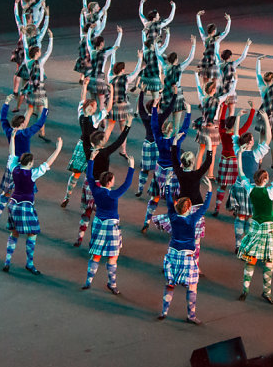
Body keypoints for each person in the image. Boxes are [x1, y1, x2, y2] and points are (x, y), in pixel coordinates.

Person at [3, 135, 63, 275]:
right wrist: (58, 149)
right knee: (33, 233)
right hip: (25, 206)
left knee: (14, 233)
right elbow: (48, 163)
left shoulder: (14, 169)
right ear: (30, 163)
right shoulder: (32, 174)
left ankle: (7, 261)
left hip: (13, 204)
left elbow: (11, 154)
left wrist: (12, 138)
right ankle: (29, 263)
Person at [0, 96, 50, 225]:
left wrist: (6, 103)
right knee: (26, 194)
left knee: (5, 192)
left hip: (12, 165)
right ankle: (21, 219)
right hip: (24, 167)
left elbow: (2, 118)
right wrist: (45, 108)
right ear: (23, 124)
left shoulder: (8, 130)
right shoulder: (25, 133)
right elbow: (39, 123)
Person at [74, 119, 133, 248]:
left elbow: (84, 136)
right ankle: (96, 239)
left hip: (88, 184)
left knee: (86, 212)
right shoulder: (105, 152)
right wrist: (127, 126)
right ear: (102, 142)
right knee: (99, 213)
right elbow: (118, 141)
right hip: (101, 186)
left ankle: (80, 236)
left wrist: (84, 119)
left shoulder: (88, 150)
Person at [82, 154, 136, 294]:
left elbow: (89, 176)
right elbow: (127, 184)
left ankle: (88, 281)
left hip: (99, 223)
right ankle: (112, 284)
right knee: (113, 256)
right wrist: (131, 167)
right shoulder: (113, 194)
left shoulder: (95, 189)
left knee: (96, 255)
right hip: (111, 226)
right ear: (110, 182)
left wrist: (91, 159)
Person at [158, 188, 212, 323]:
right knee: (192, 286)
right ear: (188, 209)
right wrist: (209, 192)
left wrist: (168, 186)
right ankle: (191, 315)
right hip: (187, 256)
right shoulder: (192, 219)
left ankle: (164, 312)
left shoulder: (173, 216)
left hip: (173, 253)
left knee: (170, 284)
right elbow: (204, 207)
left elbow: (169, 202)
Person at [142, 99, 192, 232]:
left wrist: (154, 108)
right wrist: (188, 113)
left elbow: (153, 125)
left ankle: (146, 220)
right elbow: (184, 129)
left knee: (155, 197)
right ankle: (174, 223)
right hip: (171, 171)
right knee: (175, 199)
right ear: (171, 130)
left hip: (159, 171)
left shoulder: (159, 138)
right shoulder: (175, 142)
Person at [237, 170, 273, 304]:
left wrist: (239, 154)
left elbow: (242, 173)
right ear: (265, 180)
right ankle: (267, 292)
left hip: (255, 227)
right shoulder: (269, 192)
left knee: (250, 259)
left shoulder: (251, 190)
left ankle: (245, 290)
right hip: (268, 229)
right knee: (269, 261)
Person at [228, 110, 271, 251]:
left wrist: (239, 117)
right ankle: (247, 243)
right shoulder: (256, 153)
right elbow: (268, 138)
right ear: (251, 142)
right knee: (251, 217)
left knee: (240, 216)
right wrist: (265, 119)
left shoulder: (237, 150)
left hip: (238, 186)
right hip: (251, 189)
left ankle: (237, 244)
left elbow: (235, 134)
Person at [214, 102, 255, 216]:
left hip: (223, 160)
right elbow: (248, 124)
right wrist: (252, 110)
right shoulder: (237, 135)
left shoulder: (222, 132)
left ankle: (217, 207)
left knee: (222, 185)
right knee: (235, 186)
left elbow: (221, 120)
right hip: (233, 161)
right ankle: (235, 208)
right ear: (234, 125)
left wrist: (225, 106)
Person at [195, 10, 230, 89]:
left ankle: (203, 99)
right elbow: (226, 31)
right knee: (215, 82)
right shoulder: (217, 39)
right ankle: (212, 97)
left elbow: (200, 28)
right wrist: (229, 20)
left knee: (204, 82)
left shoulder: (205, 38)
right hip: (214, 62)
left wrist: (198, 16)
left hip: (205, 62)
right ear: (214, 31)